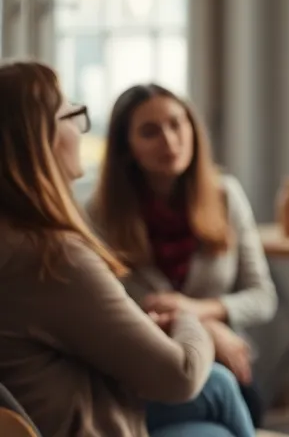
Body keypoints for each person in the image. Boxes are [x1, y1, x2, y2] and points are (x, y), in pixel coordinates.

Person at [0, 60, 254, 437]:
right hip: (77, 421)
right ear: (40, 137)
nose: (169, 141)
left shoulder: (16, 237)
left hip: (74, 404)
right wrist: (192, 319)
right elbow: (179, 375)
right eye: (72, 115)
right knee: (214, 412)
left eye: (176, 125)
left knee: (219, 387)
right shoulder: (53, 255)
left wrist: (187, 316)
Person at [86, 84, 278, 428]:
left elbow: (263, 297)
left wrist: (197, 312)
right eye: (150, 132)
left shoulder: (226, 196)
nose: (170, 140)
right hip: (150, 369)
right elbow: (105, 316)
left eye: (177, 124)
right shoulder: (100, 216)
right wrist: (205, 328)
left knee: (238, 399)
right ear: (127, 148)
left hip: (226, 360)